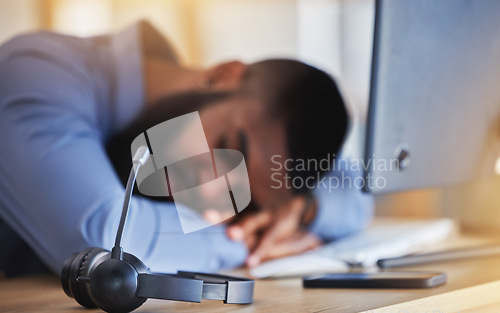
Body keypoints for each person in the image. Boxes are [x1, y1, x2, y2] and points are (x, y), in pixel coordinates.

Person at [0, 21, 372, 276]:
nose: (211, 191)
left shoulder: (191, 128)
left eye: (240, 195)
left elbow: (355, 187)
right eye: (227, 147)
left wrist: (304, 210)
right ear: (225, 75)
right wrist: (252, 244)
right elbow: (104, 241)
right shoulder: (38, 73)